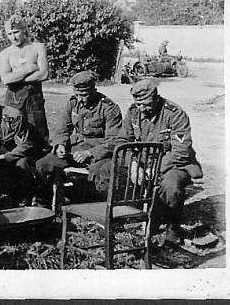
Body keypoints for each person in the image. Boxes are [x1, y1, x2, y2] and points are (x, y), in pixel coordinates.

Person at [87, 79, 203, 246]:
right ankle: (117, 216)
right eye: (138, 104)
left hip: (172, 163)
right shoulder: (134, 112)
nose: (142, 109)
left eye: (146, 104)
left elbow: (181, 151)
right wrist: (133, 164)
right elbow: (122, 141)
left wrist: (153, 169)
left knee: (172, 184)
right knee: (106, 171)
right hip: (141, 161)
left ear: (156, 98)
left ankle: (172, 226)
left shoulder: (175, 114)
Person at [35, 70, 123, 205]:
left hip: (98, 154)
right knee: (43, 164)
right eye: (77, 94)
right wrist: (60, 145)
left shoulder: (109, 108)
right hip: (74, 149)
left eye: (84, 95)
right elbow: (62, 128)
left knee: (99, 173)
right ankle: (45, 204)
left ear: (94, 90)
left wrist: (89, 153)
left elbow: (113, 140)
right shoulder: (73, 103)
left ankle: (95, 207)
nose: (80, 98)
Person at [0, 14, 50, 149]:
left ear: (24, 30)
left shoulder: (38, 47)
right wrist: (29, 68)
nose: (13, 37)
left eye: (16, 32)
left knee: (39, 135)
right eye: (9, 34)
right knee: (11, 134)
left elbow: (43, 74)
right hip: (13, 99)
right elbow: (5, 79)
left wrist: (15, 77)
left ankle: (38, 168)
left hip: (34, 98)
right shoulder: (5, 53)